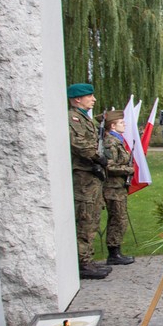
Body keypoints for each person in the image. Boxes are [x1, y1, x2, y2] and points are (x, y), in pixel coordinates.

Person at [67, 83, 110, 280]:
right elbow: (78, 144)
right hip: (83, 176)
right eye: (89, 96)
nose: (93, 99)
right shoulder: (73, 118)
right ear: (78, 99)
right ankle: (83, 262)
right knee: (85, 218)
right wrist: (96, 156)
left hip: (91, 175)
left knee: (92, 218)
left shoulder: (85, 118)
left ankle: (88, 259)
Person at [101, 110, 135, 266]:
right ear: (112, 125)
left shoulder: (118, 140)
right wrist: (128, 170)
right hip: (112, 187)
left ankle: (116, 251)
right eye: (121, 122)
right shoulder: (110, 142)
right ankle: (113, 253)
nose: (124, 124)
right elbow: (109, 166)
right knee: (117, 219)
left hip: (119, 187)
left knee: (119, 218)